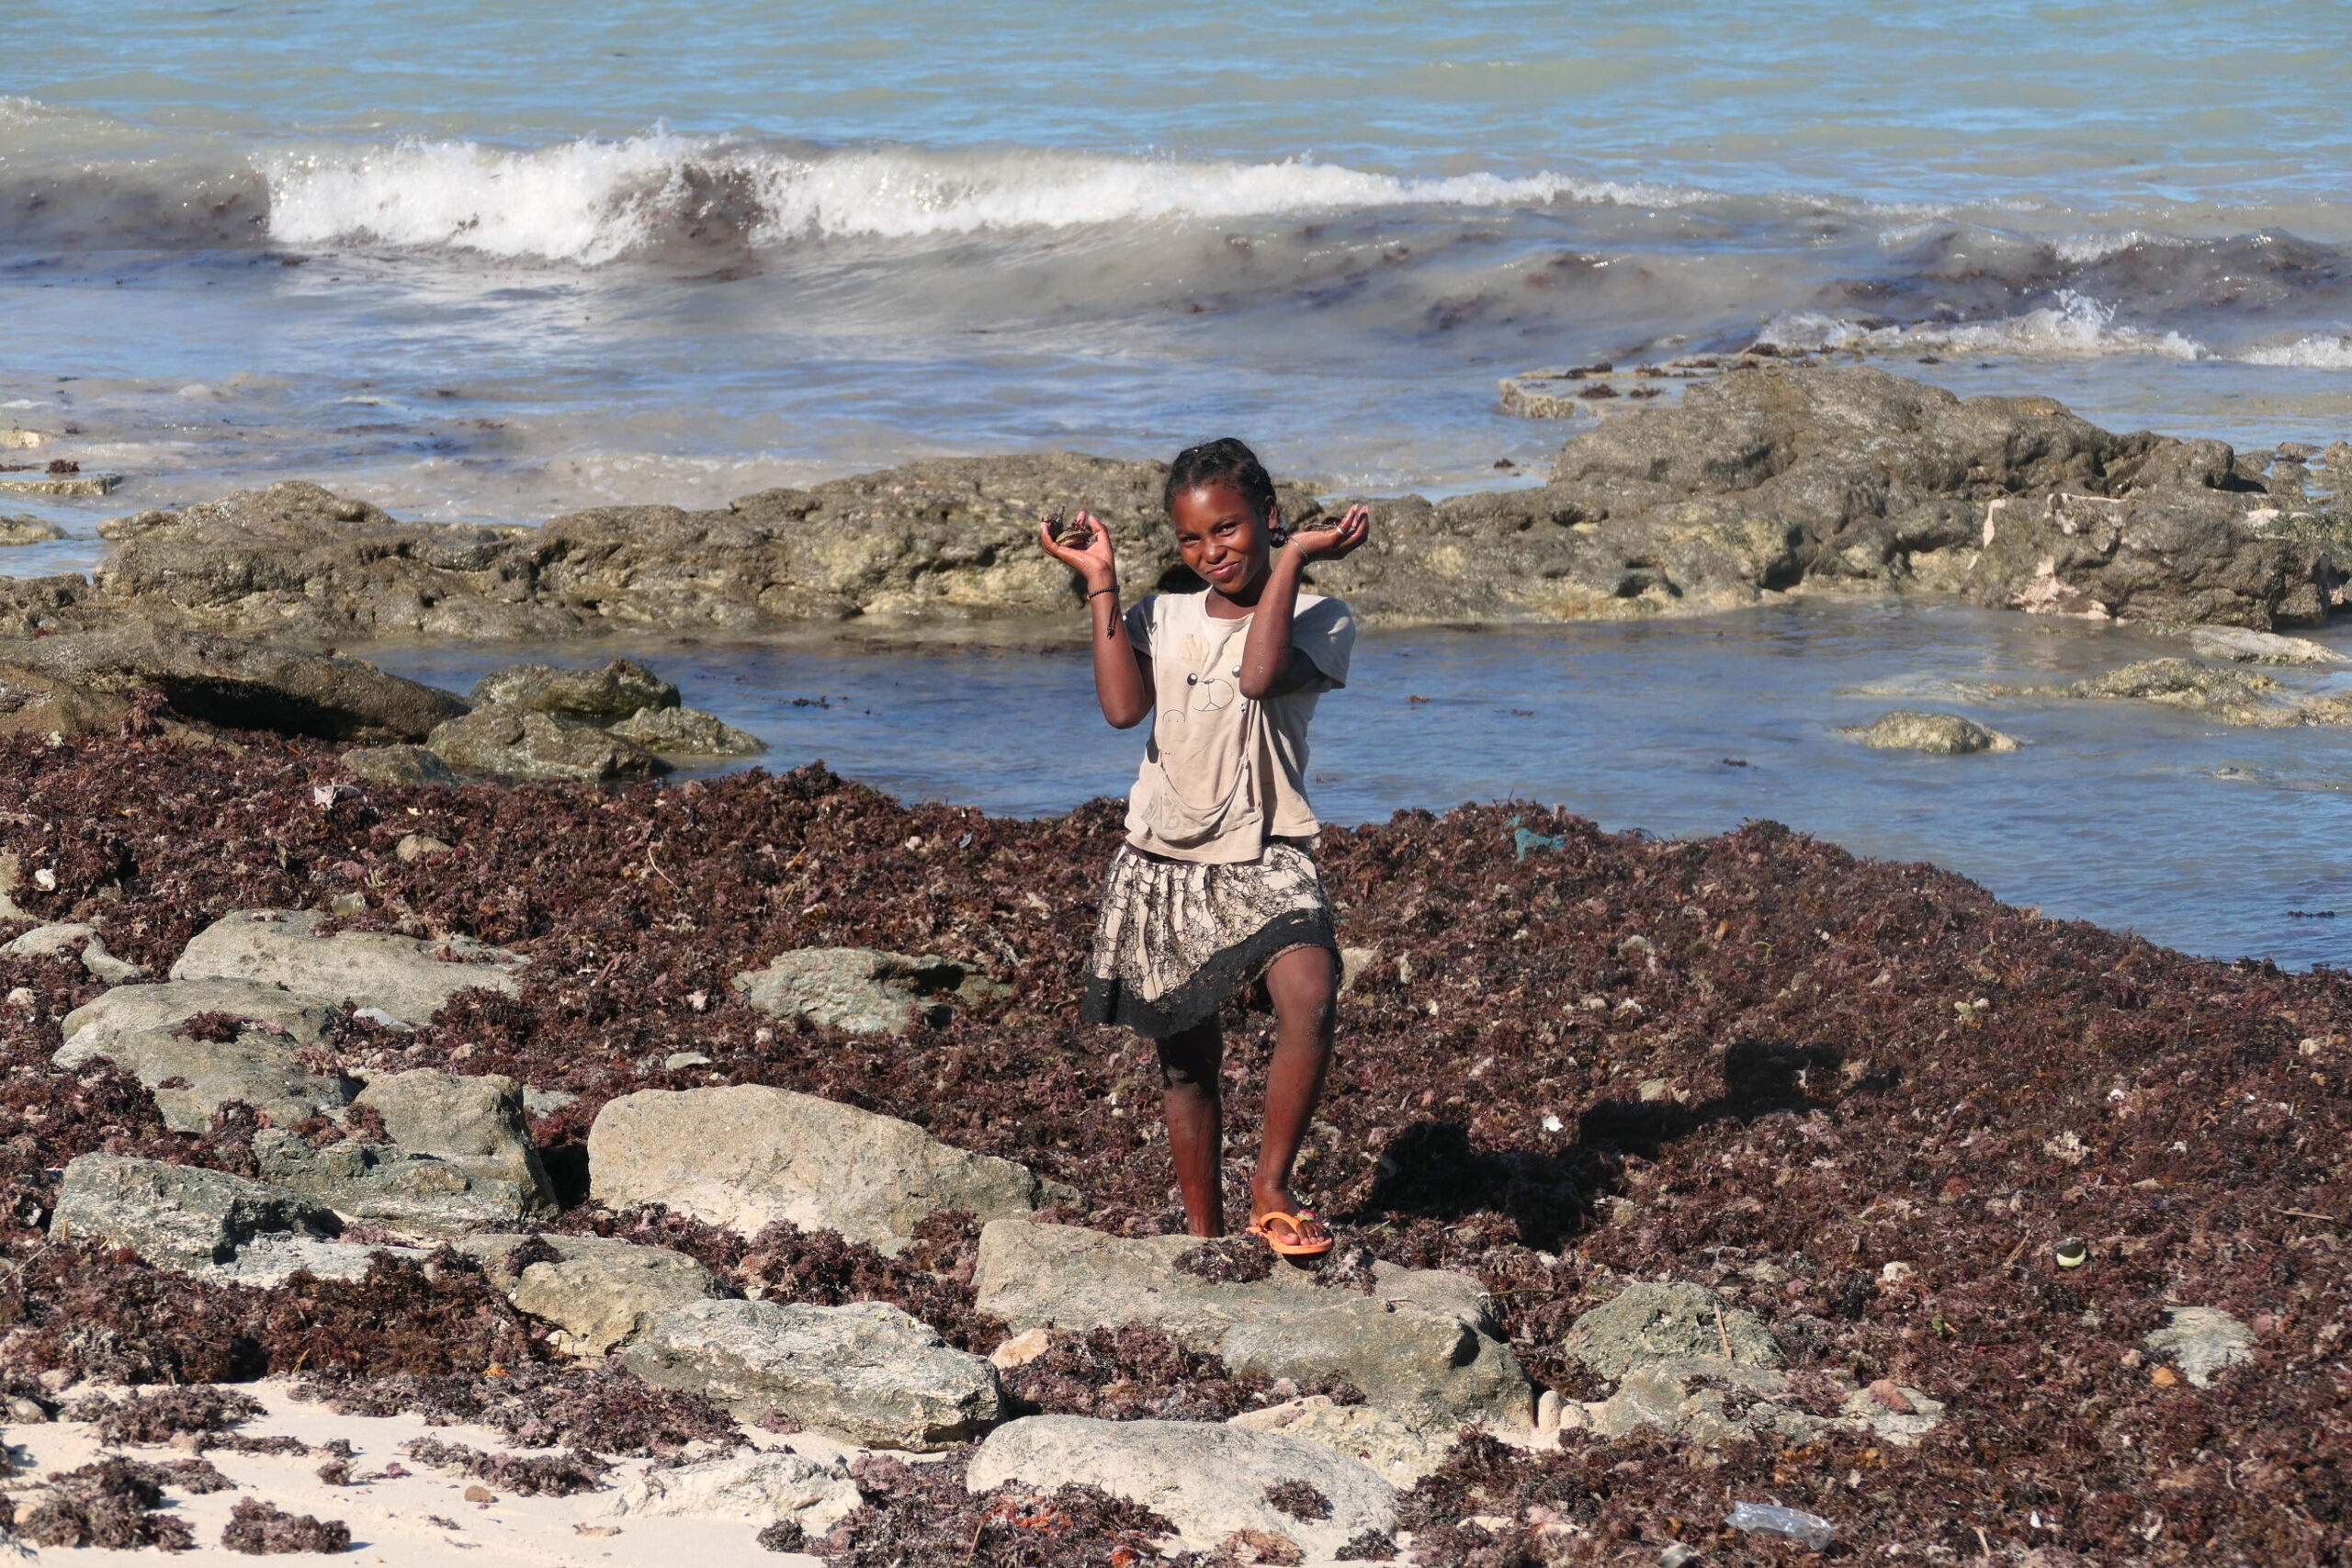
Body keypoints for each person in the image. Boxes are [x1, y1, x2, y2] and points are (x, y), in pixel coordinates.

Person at [1039, 437, 1369, 1257]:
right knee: (1187, 1065)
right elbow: (1121, 710)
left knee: (1311, 992)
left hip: (1265, 847)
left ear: (1268, 515)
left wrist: (1292, 559)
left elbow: (1259, 674)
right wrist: (1101, 582)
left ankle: (1271, 1186)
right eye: (1191, 540)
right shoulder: (1163, 614)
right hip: (1165, 860)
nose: (1211, 552)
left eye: (1228, 529)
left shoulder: (1323, 616)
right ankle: (1204, 1236)